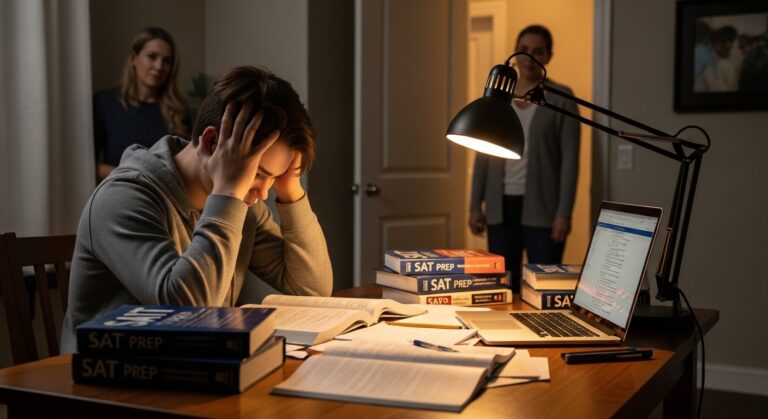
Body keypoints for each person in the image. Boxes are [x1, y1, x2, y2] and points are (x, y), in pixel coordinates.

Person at [61, 66, 333, 353]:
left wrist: (290, 190)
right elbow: (189, 313)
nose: (264, 193)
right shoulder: (123, 197)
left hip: (189, 370)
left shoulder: (242, 204)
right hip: (107, 384)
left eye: (274, 178)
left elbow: (312, 288)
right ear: (212, 142)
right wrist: (228, 193)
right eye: (258, 173)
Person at [468, 25, 580, 293]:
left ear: (548, 56)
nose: (529, 57)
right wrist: (475, 205)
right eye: (524, 50)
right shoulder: (497, 97)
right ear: (516, 54)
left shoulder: (561, 100)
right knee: (503, 287)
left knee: (543, 288)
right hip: (500, 208)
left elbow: (570, 161)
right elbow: (482, 154)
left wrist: (564, 213)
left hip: (544, 211)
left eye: (537, 51)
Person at [93, 27, 189, 182]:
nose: (159, 66)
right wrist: (131, 175)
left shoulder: (178, 110)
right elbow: (87, 165)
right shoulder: (105, 103)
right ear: (133, 58)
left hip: (166, 200)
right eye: (152, 57)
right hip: (119, 193)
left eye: (166, 61)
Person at [694, 25, 738, 92]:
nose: (731, 51)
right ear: (727, 44)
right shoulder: (710, 60)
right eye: (732, 47)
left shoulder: (702, 51)